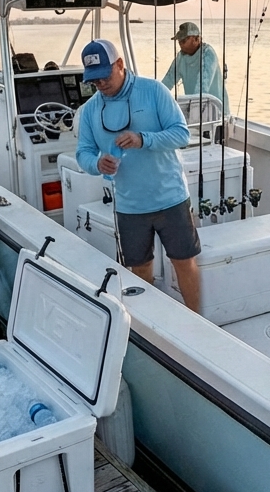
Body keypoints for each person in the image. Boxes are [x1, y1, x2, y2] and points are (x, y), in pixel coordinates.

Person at [75, 38, 203, 313]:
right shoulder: (89, 111)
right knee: (139, 267)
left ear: (120, 64)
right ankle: (148, 322)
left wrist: (143, 139)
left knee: (183, 260)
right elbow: (83, 152)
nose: (101, 85)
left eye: (105, 76)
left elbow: (182, 134)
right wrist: (98, 164)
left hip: (170, 197)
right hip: (130, 205)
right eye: (94, 81)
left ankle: (198, 321)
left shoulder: (154, 91)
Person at [161, 21, 228, 115]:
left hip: (217, 112)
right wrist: (156, 98)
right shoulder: (181, 57)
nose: (180, 44)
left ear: (197, 39)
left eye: (184, 40)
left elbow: (202, 86)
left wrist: (192, 110)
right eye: (179, 41)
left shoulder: (208, 54)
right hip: (194, 109)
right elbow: (167, 82)